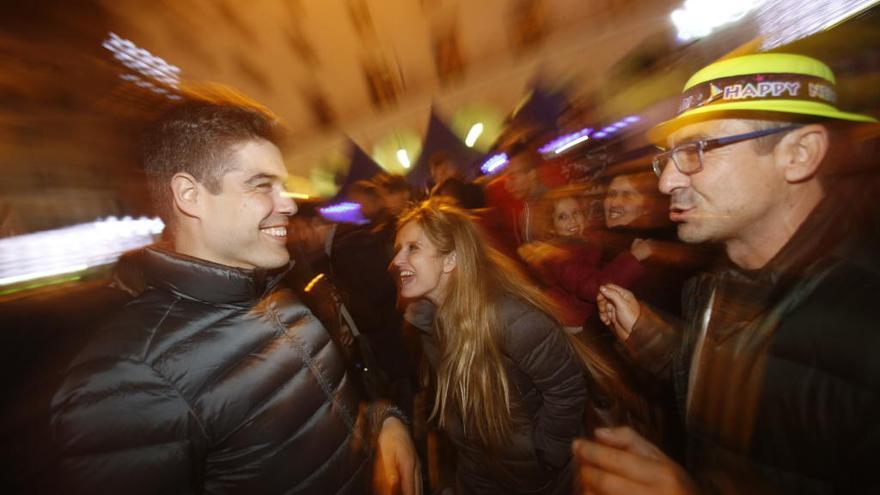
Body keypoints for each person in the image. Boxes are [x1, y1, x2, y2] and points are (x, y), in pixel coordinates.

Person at [50, 98, 421, 494]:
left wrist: (384, 420)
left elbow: (328, 411)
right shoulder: (129, 378)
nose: (289, 204)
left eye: (283, 185)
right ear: (190, 195)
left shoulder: (281, 294)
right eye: (262, 186)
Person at [574, 53, 880, 494]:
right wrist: (649, 335)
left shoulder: (866, 320)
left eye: (696, 150)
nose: (666, 183)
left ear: (799, 153)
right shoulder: (716, 285)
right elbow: (756, 384)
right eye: (669, 157)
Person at [393, 198, 587, 494]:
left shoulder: (511, 316)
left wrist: (548, 454)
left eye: (413, 248)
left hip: (538, 480)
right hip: (480, 471)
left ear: (450, 260)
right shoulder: (427, 323)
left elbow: (567, 387)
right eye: (398, 250)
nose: (395, 261)